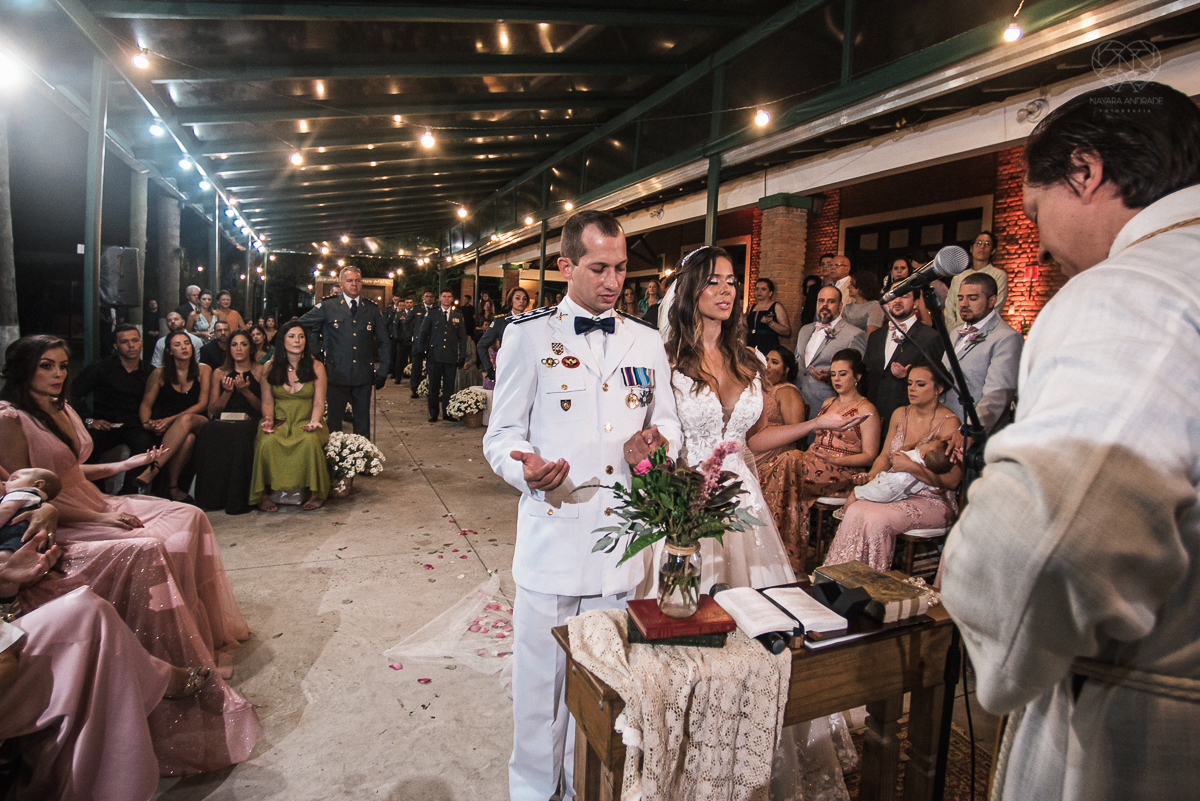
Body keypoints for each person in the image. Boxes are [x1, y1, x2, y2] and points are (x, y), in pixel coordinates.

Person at [940, 82, 1200, 801]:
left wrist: (972, 602)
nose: (1044, 245)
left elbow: (1054, 539)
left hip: (1144, 733)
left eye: (1032, 211)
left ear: (1084, 172)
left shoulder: (1134, 290)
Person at [483, 210, 682, 801]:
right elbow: (501, 435)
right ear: (565, 266)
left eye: (620, 268)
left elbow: (665, 418)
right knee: (540, 683)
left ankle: (585, 789)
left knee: (601, 685)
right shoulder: (528, 335)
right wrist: (528, 470)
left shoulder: (647, 341)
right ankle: (532, 791)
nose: (612, 280)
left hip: (619, 540)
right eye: (599, 267)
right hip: (554, 532)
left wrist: (655, 446)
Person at [0, 338, 260, 771]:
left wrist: (128, 464)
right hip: (68, 518)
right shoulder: (10, 419)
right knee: (150, 546)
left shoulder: (60, 407)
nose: (59, 374)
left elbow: (71, 471)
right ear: (24, 369)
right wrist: (101, 521)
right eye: (47, 366)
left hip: (92, 500)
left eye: (63, 365)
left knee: (190, 516)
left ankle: (196, 636)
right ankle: (161, 659)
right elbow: (26, 493)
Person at [824, 362, 960, 571]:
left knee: (876, 518)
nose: (911, 389)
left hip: (933, 500)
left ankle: (871, 583)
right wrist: (870, 476)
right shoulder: (900, 413)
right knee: (856, 508)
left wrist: (911, 467)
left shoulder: (949, 423)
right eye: (909, 383)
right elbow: (885, 457)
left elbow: (952, 481)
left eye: (920, 384)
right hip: (896, 491)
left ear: (938, 389)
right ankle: (841, 577)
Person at [760, 348, 880, 573]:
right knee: (782, 467)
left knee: (787, 461)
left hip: (843, 471)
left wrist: (834, 457)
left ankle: (780, 552)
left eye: (843, 374)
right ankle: (774, 551)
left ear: (857, 377)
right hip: (811, 465)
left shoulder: (866, 409)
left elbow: (870, 455)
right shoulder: (828, 403)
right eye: (833, 374)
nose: (836, 379)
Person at [250, 321, 331, 512]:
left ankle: (316, 493)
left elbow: (319, 402)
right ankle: (264, 495)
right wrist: (268, 419)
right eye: (292, 336)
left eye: (301, 336)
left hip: (307, 420)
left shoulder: (316, 367)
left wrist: (314, 421)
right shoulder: (269, 368)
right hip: (280, 421)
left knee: (309, 441)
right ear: (282, 341)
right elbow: (268, 402)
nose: (297, 340)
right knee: (266, 442)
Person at [299, 266, 389, 437]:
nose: (354, 284)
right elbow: (301, 324)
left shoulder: (371, 308)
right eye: (349, 281)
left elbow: (384, 341)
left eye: (357, 280)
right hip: (336, 374)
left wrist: (383, 370)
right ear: (340, 283)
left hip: (363, 374)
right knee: (334, 421)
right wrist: (314, 353)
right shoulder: (328, 306)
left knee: (362, 421)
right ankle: (335, 459)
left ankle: (362, 458)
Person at [70, 323, 156, 495]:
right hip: (107, 423)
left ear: (141, 343)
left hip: (135, 423)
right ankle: (97, 493)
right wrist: (89, 420)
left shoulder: (150, 372)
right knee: (88, 446)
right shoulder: (101, 368)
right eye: (125, 342)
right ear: (116, 346)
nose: (131, 345)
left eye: (135, 340)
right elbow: (72, 394)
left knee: (145, 444)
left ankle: (128, 492)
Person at [135, 331, 212, 502]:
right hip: (173, 427)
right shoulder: (159, 373)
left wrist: (170, 420)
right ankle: (173, 488)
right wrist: (147, 424)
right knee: (188, 440)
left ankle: (153, 470)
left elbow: (202, 404)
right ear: (169, 351)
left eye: (186, 343)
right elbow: (146, 404)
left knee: (186, 420)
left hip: (199, 420)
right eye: (177, 345)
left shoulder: (204, 369)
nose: (184, 347)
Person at [862, 290, 944, 448]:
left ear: (915, 303)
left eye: (904, 296)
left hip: (907, 422)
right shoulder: (876, 336)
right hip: (872, 419)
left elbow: (937, 380)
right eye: (893, 297)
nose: (897, 300)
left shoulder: (930, 337)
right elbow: (867, 375)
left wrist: (909, 375)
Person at [941, 273, 1022, 432]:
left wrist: (970, 431)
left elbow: (996, 396)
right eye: (960, 298)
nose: (964, 304)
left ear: (992, 301)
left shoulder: (1007, 338)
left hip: (972, 433)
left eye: (972, 298)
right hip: (943, 426)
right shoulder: (956, 332)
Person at [194, 331, 263, 515]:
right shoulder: (219, 372)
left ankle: (237, 499)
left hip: (250, 420)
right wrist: (227, 392)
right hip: (224, 419)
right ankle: (211, 497)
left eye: (243, 344)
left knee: (240, 434)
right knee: (209, 430)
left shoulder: (260, 370)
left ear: (250, 348)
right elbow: (213, 410)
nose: (238, 349)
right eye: (234, 345)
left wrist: (246, 392)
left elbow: (263, 408)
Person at [794, 286, 867, 428]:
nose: (825, 305)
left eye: (831, 301)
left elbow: (857, 374)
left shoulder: (853, 334)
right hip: (797, 400)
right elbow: (798, 361)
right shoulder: (805, 330)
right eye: (821, 301)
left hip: (827, 402)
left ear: (840, 306)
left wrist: (830, 377)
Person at [841, 439, 951, 510]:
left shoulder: (914, 455)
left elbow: (897, 458)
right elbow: (936, 489)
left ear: (922, 455)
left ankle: (844, 514)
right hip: (900, 494)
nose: (928, 442)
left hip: (887, 484)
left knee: (856, 492)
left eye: (929, 444)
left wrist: (906, 449)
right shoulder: (929, 472)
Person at [417, 290, 470, 422]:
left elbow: (462, 337)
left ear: (452, 299)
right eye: (444, 296)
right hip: (435, 355)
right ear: (440, 298)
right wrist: (421, 351)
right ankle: (433, 413)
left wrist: (462, 355)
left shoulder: (457, 315)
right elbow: (423, 333)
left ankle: (448, 413)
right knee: (434, 386)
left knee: (449, 386)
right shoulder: (433, 313)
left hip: (450, 356)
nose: (446, 299)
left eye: (449, 296)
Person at [944, 231, 1009, 331]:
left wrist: (975, 331)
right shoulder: (959, 277)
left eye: (987, 244)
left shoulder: (999, 275)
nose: (982, 247)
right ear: (971, 248)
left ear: (993, 250)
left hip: (983, 331)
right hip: (957, 331)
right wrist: (955, 332)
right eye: (978, 243)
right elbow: (949, 308)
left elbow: (996, 306)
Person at [0, 467, 61, 554]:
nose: (4, 482)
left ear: (38, 484)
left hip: (16, 535)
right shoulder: (29, 496)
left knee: (11, 550)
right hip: (24, 539)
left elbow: (6, 510)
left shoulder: (19, 494)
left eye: (13, 479)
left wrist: (48, 509)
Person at [476, 286, 530, 384]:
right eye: (517, 298)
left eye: (524, 299)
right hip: (507, 369)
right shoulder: (501, 321)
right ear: (510, 301)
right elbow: (481, 345)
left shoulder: (531, 321)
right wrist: (489, 369)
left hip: (527, 369)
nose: (521, 301)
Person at [745, 277, 792, 355]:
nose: (759, 291)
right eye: (757, 289)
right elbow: (749, 329)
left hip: (768, 347)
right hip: (751, 347)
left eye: (763, 289)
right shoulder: (751, 308)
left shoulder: (776, 306)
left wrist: (771, 323)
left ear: (770, 293)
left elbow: (787, 331)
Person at [406, 290, 434, 398]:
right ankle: (415, 388)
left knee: (430, 367)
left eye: (431, 296)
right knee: (416, 366)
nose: (429, 298)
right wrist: (411, 335)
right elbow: (406, 322)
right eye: (427, 296)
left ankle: (428, 388)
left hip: (431, 341)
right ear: (423, 297)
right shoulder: (417, 308)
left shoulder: (436, 309)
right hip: (418, 341)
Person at [841, 270, 885, 336]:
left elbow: (871, 335)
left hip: (862, 345)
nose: (848, 287)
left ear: (862, 286)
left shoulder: (875, 306)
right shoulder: (847, 307)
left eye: (852, 284)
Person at [384, 295, 408, 382]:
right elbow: (387, 323)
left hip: (403, 337)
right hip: (393, 336)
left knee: (402, 357)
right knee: (394, 355)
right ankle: (394, 372)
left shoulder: (407, 314)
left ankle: (404, 372)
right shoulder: (391, 311)